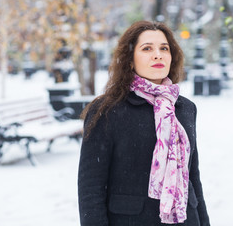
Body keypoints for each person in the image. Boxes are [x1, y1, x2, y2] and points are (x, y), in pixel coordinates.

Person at [78, 20, 210, 226]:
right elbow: (91, 187)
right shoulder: (107, 110)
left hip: (185, 219)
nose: (157, 54)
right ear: (130, 60)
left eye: (164, 48)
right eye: (147, 48)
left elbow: (193, 176)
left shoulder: (185, 108)